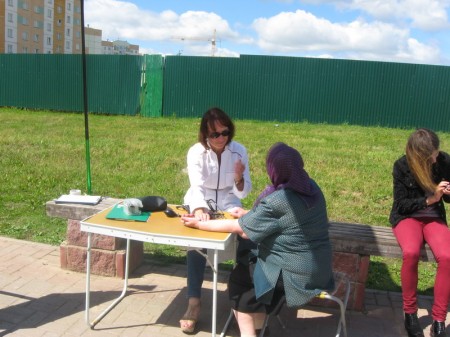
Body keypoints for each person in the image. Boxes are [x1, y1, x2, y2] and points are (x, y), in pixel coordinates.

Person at [182, 142, 334, 337]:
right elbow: (287, 217)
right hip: (320, 268)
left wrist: (199, 224)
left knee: (240, 282)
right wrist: (249, 213)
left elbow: (242, 230)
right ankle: (261, 328)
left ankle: (249, 333)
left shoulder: (280, 199)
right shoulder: (311, 188)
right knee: (250, 262)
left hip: (293, 276)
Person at [180, 107, 252, 333]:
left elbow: (244, 191)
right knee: (196, 242)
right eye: (215, 134)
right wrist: (200, 208)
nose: (221, 138)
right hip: (202, 199)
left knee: (245, 238)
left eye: (225, 132)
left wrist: (239, 180)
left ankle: (241, 302)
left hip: (230, 202)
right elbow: (196, 185)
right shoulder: (195, 152)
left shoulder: (239, 151)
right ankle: (194, 302)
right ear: (205, 135)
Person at [389, 128, 450, 337]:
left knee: (447, 256)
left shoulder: (443, 161)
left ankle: (439, 319)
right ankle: (410, 313)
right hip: (408, 218)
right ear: (420, 156)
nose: (436, 158)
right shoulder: (402, 166)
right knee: (411, 253)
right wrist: (430, 199)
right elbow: (402, 205)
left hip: (434, 219)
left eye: (436, 152)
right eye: (432, 154)